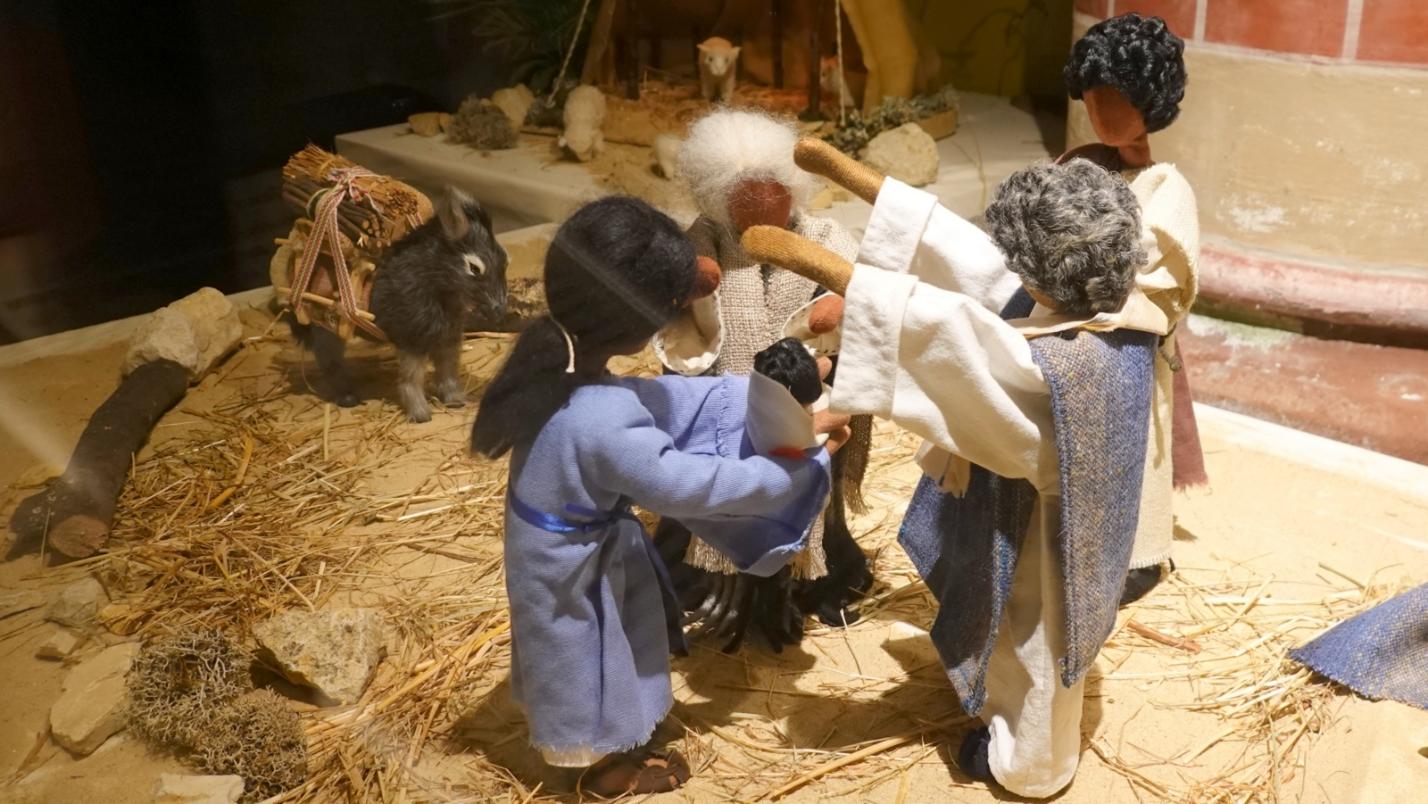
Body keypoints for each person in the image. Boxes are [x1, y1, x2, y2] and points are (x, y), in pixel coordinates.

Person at [743, 154, 1175, 797]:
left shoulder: (1067, 369)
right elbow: (981, 267)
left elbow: (959, 340)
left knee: (1035, 635)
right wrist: (874, 188)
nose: (1017, 273)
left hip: (1055, 533)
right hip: (1054, 500)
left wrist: (859, 293)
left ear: (1050, 272)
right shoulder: (1116, 301)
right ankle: (1004, 719)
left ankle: (1033, 767)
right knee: (1017, 628)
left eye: (1028, 263)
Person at [470, 196, 846, 796]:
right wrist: (791, 473)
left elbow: (665, 404)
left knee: (596, 649)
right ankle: (596, 773)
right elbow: (689, 485)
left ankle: (607, 742)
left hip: (563, 548)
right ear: (640, 320)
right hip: (570, 574)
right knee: (583, 661)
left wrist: (762, 396)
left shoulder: (562, 368)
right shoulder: (598, 416)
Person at [654, 109, 872, 651]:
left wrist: (835, 304)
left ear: (795, 190)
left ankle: (818, 580)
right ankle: (711, 583)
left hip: (811, 400)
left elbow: (862, 290)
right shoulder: (703, 241)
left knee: (817, 497)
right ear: (716, 196)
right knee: (713, 502)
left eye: (774, 199)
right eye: (743, 204)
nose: (762, 218)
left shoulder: (824, 236)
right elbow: (680, 321)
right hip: (726, 408)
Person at [1062, 12, 1204, 603]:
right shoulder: (1079, 164)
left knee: (1137, 450)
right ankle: (1076, 539)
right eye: (1092, 96)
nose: (1098, 111)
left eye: (1112, 97)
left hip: (1128, 340)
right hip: (1069, 334)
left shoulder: (1166, 188)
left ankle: (1140, 553)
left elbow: (1159, 274)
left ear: (1149, 103)